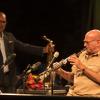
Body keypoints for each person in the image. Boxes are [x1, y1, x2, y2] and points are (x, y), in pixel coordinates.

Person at [0, 11, 54, 93]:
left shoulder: (9, 36)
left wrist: (44, 50)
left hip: (10, 79)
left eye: (3, 22)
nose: (1, 24)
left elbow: (24, 47)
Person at [54, 29, 100, 97]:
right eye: (84, 42)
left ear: (98, 43)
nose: (84, 45)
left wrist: (81, 66)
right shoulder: (82, 55)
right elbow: (73, 78)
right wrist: (60, 71)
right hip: (73, 95)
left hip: (92, 96)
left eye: (87, 42)